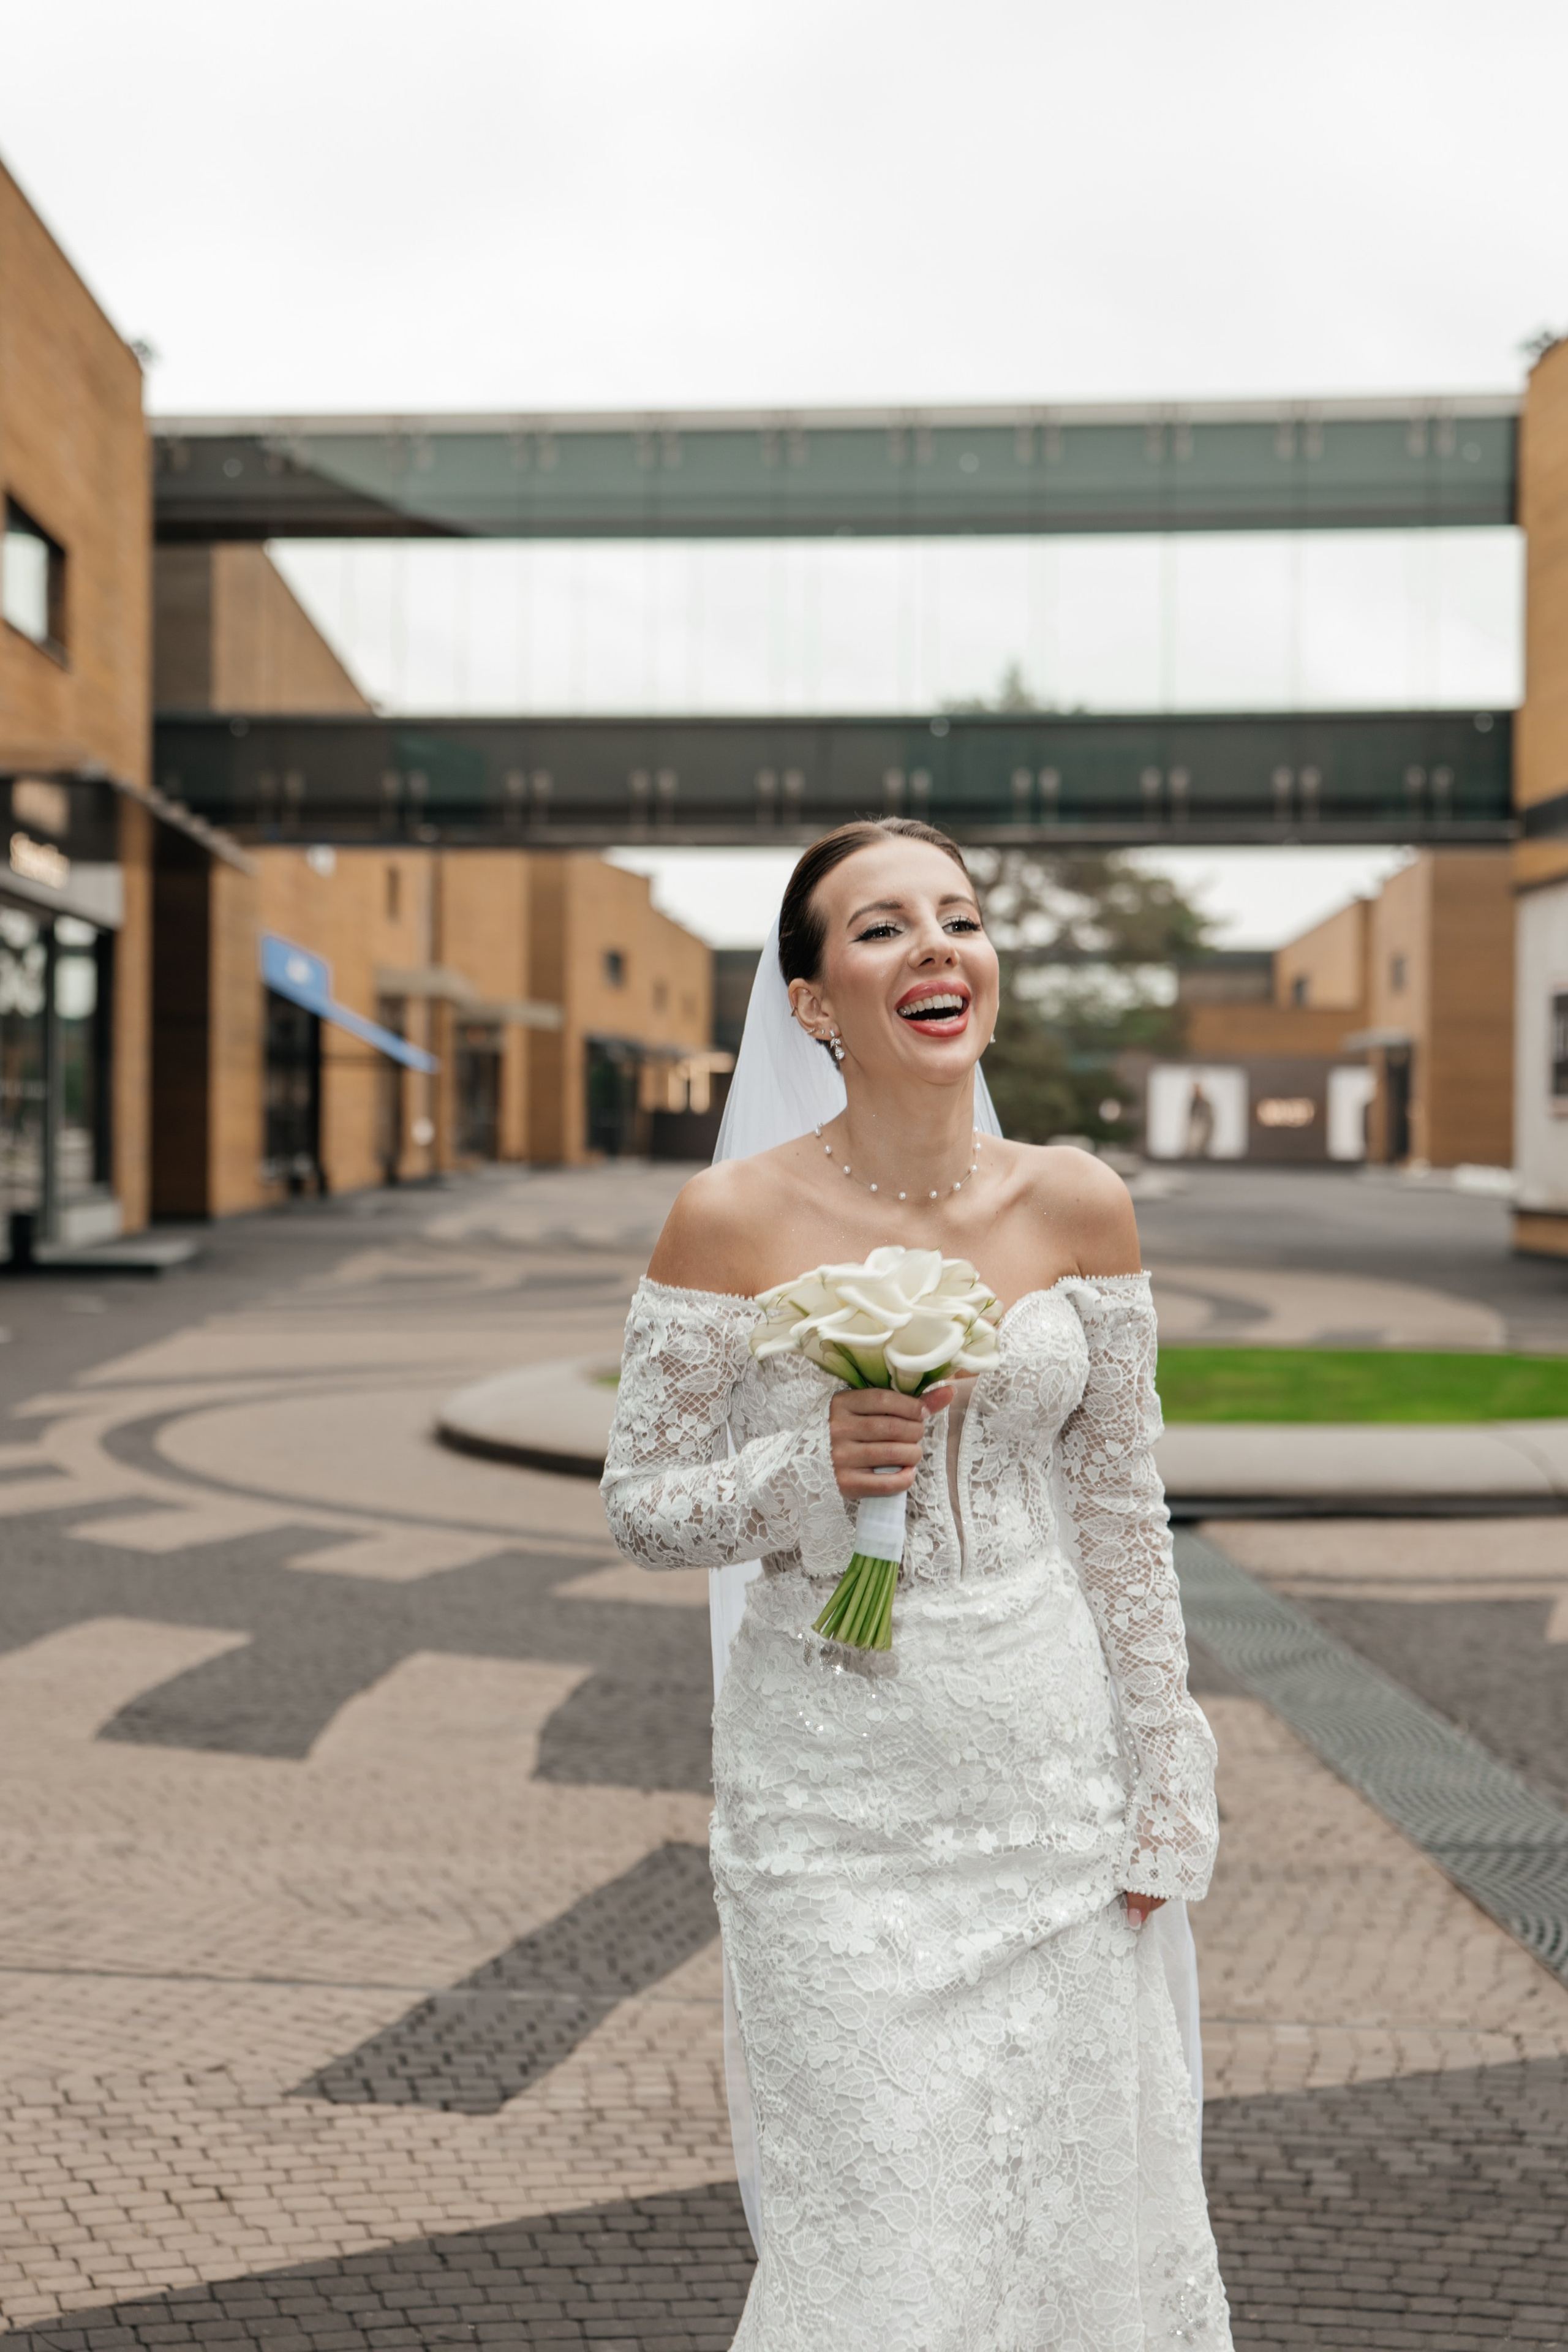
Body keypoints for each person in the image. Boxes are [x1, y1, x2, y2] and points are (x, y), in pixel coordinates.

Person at [601, 818, 1231, 2351]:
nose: (935, 947)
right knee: (874, 2242)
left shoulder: (1078, 1204)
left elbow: (1122, 1520)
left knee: (1077, 2221)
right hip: (830, 1810)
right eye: (879, 929)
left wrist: (1165, 1767)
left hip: (1047, 1795)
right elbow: (642, 1509)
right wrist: (811, 1470)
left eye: (957, 917)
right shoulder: (728, 1221)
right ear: (812, 1000)